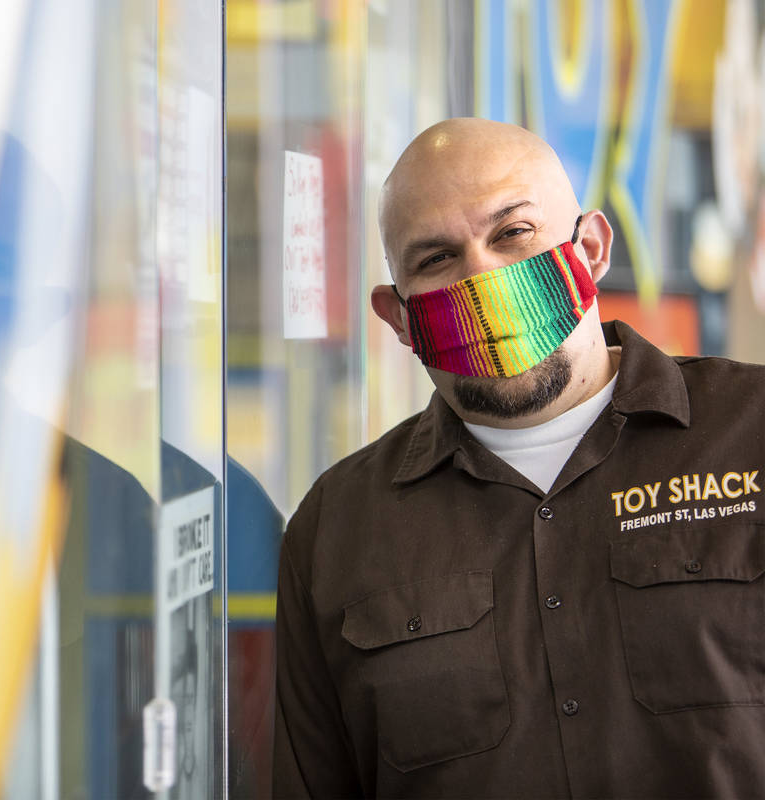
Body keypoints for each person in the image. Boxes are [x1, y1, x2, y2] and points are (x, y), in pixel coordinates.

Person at [273, 117, 765, 798]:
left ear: (589, 250)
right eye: (437, 258)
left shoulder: (751, 431)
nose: (483, 278)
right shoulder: (338, 531)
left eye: (512, 234)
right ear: (398, 318)